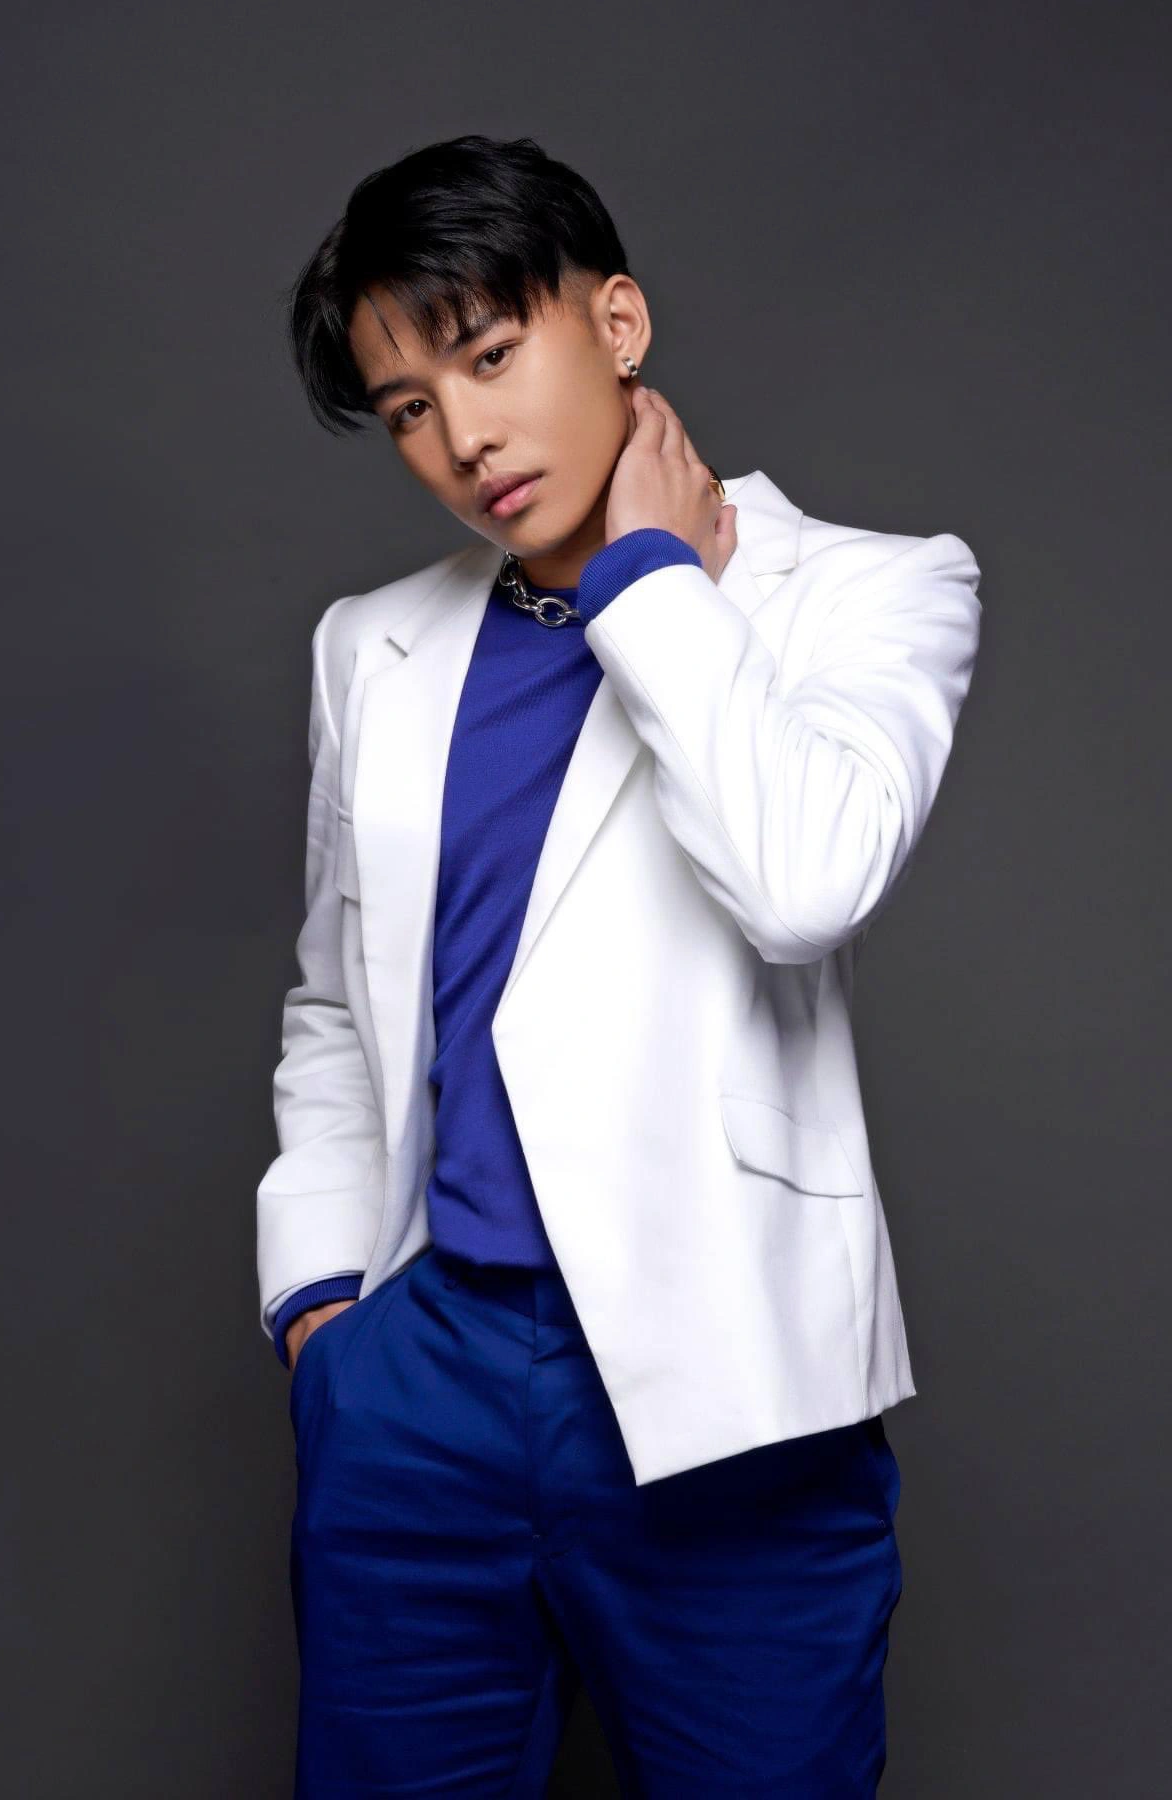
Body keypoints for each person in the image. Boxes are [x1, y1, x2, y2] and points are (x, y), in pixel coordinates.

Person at [256, 131, 982, 1797]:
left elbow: (804, 882)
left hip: (730, 1402)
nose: (462, 438)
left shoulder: (870, 591)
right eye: (409, 407)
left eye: (489, 356)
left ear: (620, 323)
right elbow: (334, 995)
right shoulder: (373, 645)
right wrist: (321, 1310)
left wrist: (653, 583)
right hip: (419, 1383)